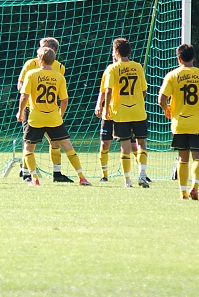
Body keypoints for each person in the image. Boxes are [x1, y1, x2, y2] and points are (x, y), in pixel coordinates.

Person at [17, 47, 91, 186]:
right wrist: (60, 116)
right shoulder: (59, 76)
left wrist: (20, 112)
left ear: (39, 60)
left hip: (36, 118)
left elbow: (24, 96)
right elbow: (64, 100)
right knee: (68, 147)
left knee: (28, 148)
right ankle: (82, 177)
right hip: (54, 118)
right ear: (53, 60)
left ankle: (35, 179)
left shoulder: (31, 74)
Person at [159, 44, 199, 200]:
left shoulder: (172, 75)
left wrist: (167, 109)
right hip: (198, 124)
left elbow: (161, 99)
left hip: (179, 123)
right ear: (193, 58)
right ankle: (195, 186)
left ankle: (182, 192)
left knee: (182, 158)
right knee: (198, 158)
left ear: (179, 59)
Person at [16, 37, 73, 183]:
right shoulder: (30, 64)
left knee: (55, 142)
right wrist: (29, 95)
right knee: (28, 141)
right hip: (32, 110)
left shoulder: (60, 67)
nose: (38, 51)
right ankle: (26, 172)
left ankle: (57, 173)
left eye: (41, 48)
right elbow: (20, 85)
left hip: (51, 111)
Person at [102, 38, 150, 188]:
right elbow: (144, 91)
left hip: (121, 112)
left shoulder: (113, 68)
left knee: (125, 147)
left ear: (116, 52)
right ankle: (142, 174)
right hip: (138, 111)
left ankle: (127, 181)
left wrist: (106, 108)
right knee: (141, 144)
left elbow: (108, 90)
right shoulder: (137, 67)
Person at [94, 57, 140, 182]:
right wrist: (99, 105)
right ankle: (104, 175)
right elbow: (104, 90)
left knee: (133, 146)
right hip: (109, 114)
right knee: (105, 144)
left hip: (125, 114)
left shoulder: (133, 69)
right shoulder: (110, 70)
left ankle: (142, 173)